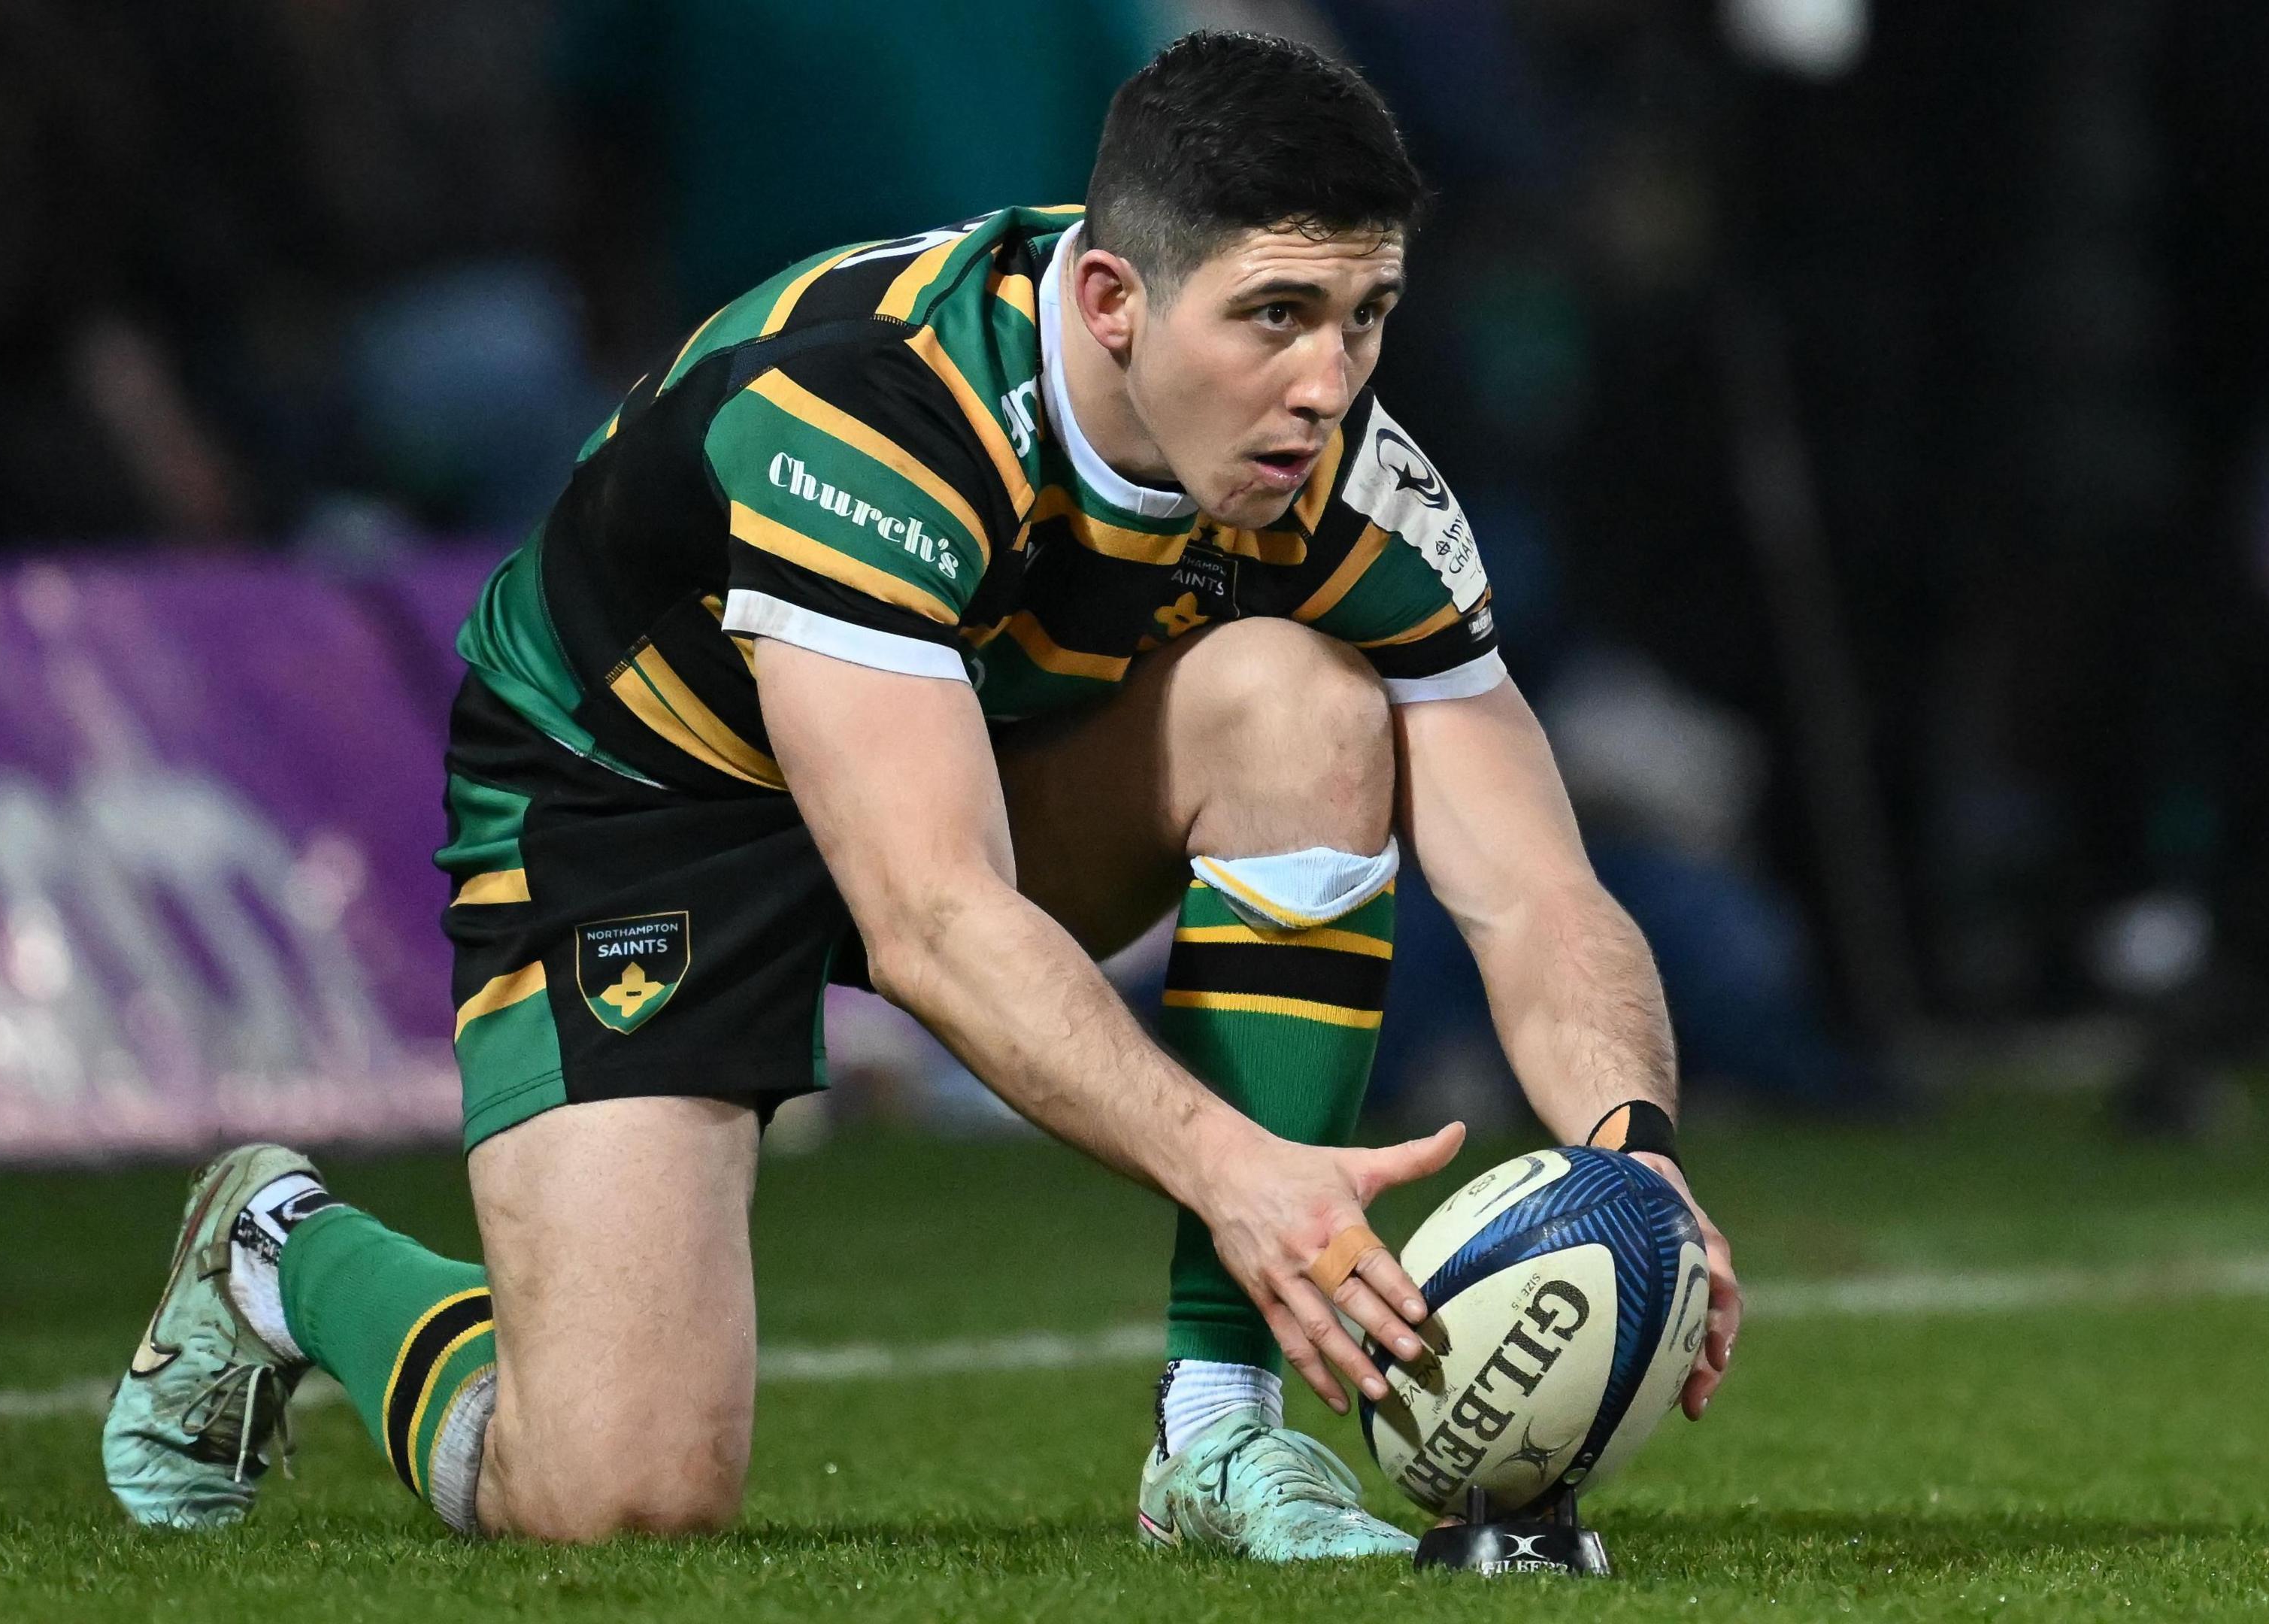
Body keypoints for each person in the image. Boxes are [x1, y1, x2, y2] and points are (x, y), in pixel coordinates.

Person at [101, 31, 1740, 1559]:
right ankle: (282, 1252)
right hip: (640, 803)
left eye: (1364, 315)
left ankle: (1219, 1433)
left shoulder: (1350, 483)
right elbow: (934, 919)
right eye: (1275, 315)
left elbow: (1536, 889)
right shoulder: (870, 413)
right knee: (616, 1494)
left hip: (968, 770)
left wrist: (1637, 1159)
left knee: (1300, 709)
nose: (1327, 380)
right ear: (1112, 299)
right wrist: (1239, 1166)